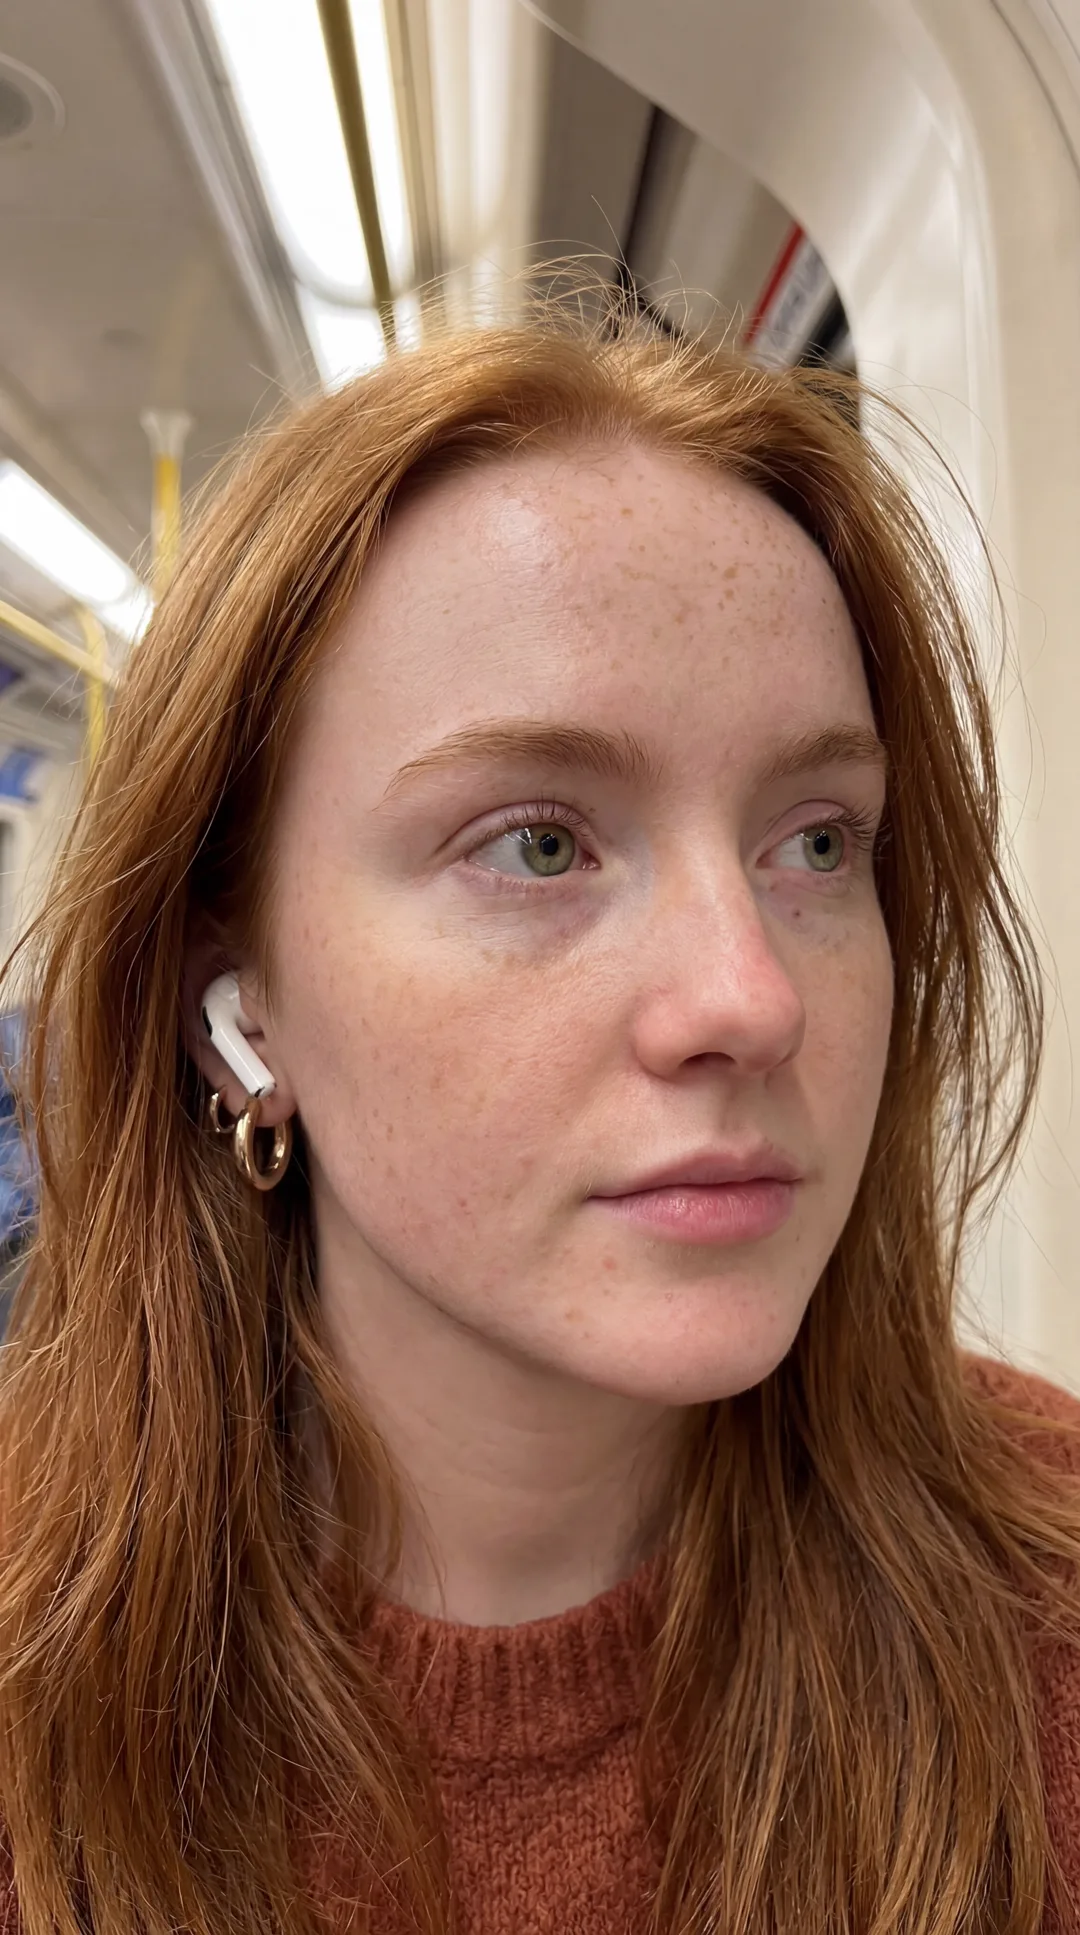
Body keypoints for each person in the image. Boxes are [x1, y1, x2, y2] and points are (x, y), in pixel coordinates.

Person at [0, 290, 1078, 1935]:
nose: (751, 997)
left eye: (816, 841)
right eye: (540, 844)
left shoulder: (1045, 1607)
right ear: (239, 999)